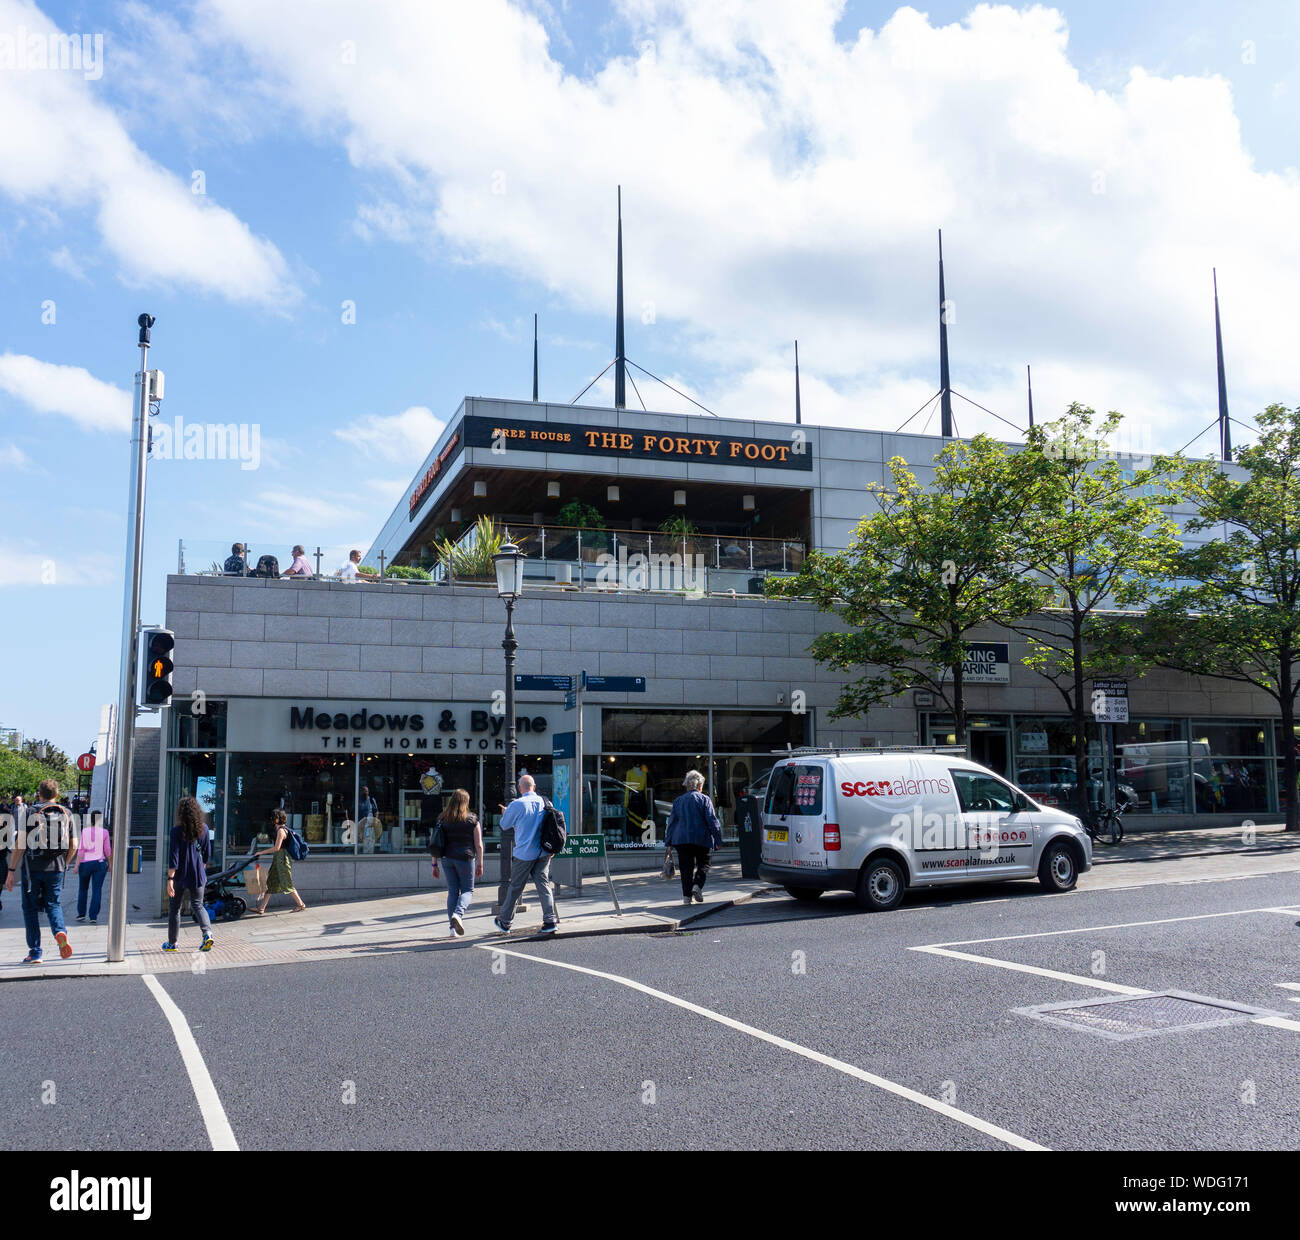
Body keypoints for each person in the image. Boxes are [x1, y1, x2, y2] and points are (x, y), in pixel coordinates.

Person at [5, 779, 78, 963]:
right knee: (53, 903)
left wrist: (11, 870)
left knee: (29, 909)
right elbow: (74, 845)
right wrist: (65, 863)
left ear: (39, 793)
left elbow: (20, 845)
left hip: (32, 869)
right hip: (57, 867)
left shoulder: (30, 812)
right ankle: (60, 932)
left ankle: (35, 952)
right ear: (57, 794)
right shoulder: (67, 812)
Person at [492, 774, 556, 935]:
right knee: (544, 886)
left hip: (524, 853)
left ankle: (505, 922)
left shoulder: (516, 804)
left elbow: (504, 825)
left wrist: (506, 812)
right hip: (543, 852)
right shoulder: (545, 802)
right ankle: (550, 920)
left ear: (520, 789)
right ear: (534, 787)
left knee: (515, 888)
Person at [163, 796, 214, 953]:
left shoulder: (176, 831)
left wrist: (170, 878)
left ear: (181, 813)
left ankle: (172, 944)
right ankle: (207, 933)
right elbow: (207, 852)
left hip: (179, 875)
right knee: (198, 905)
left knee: (175, 909)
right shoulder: (204, 829)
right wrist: (202, 866)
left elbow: (174, 856)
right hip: (198, 873)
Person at [430, 788, 483, 937]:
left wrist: (434, 864)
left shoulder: (442, 819)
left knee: (453, 891)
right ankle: (458, 915)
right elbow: (478, 844)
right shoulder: (472, 819)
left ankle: (452, 929)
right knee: (467, 890)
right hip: (465, 858)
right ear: (466, 802)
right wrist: (480, 863)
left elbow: (435, 842)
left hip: (447, 859)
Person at [665, 769, 723, 905]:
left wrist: (668, 842)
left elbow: (672, 822)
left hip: (681, 840)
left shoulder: (678, 801)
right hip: (701, 838)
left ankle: (686, 898)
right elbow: (712, 821)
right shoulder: (704, 799)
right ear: (700, 786)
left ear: (687, 785)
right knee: (704, 864)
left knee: (686, 868)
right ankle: (697, 885)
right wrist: (718, 840)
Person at [254, 808, 307, 914]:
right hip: (278, 859)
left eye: (273, 817)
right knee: (271, 882)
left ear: (278, 818)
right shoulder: (280, 829)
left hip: (282, 859)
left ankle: (301, 905)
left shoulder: (281, 831)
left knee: (287, 883)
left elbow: (277, 848)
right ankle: (261, 908)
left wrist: (261, 852)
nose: (272, 819)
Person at [75, 809, 111, 924]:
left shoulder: (84, 831)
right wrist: (110, 864)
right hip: (100, 864)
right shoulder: (105, 832)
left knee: (83, 889)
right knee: (97, 890)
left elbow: (81, 850)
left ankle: (81, 914)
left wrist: (76, 866)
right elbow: (107, 850)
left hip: (85, 863)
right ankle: (93, 916)